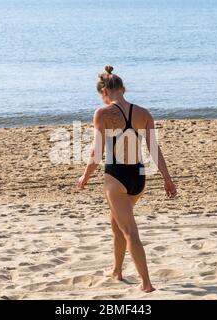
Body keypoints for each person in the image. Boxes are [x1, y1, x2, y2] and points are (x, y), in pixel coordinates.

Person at [77, 66, 177, 292]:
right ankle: (117, 271)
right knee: (117, 225)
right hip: (138, 177)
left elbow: (96, 151)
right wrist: (167, 178)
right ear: (123, 88)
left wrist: (86, 175)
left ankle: (146, 284)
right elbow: (154, 149)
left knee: (130, 231)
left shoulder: (102, 113)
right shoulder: (144, 113)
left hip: (117, 178)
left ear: (103, 93)